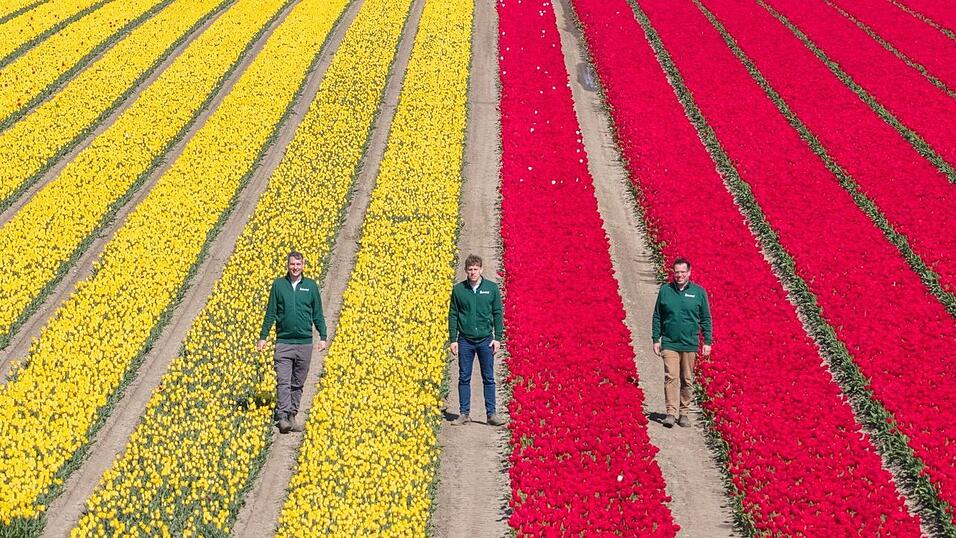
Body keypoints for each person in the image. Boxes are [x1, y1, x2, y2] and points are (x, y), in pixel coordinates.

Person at [257, 251, 328, 434]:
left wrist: (323, 336)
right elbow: (270, 312)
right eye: (292, 264)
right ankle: (282, 416)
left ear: (303, 265)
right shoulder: (279, 285)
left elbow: (317, 314)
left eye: (298, 264)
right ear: (287, 266)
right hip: (284, 342)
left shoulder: (311, 286)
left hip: (304, 343)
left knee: (298, 382)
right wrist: (263, 337)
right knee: (283, 380)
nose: (295, 268)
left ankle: (292, 415)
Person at [652, 257, 712, 428]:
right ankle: (671, 412)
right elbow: (657, 316)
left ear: (689, 273)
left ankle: (683, 413)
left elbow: (706, 318)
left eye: (683, 272)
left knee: (686, 379)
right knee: (671, 376)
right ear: (673, 272)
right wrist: (656, 339)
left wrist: (707, 341)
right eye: (677, 272)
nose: (679, 275)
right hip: (670, 342)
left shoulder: (699, 292)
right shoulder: (665, 291)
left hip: (689, 343)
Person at [447, 254, 506, 426]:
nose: (473, 272)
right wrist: (453, 339)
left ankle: (491, 414)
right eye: (470, 269)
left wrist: (498, 338)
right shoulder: (459, 290)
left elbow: (497, 313)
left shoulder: (491, 288)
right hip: (465, 340)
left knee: (488, 377)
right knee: (464, 377)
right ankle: (464, 413)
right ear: (465, 271)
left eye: (476, 269)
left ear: (481, 269)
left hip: (485, 340)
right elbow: (453, 315)